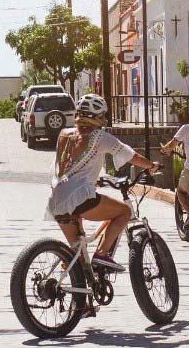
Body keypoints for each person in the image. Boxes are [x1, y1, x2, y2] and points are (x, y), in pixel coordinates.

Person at [46, 94, 160, 272]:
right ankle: (102, 254)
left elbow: (68, 166)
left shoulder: (64, 134)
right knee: (124, 211)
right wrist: (151, 166)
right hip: (80, 197)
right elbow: (131, 155)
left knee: (80, 264)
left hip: (56, 200)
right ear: (98, 117)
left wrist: (93, 180)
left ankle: (81, 294)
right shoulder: (100, 137)